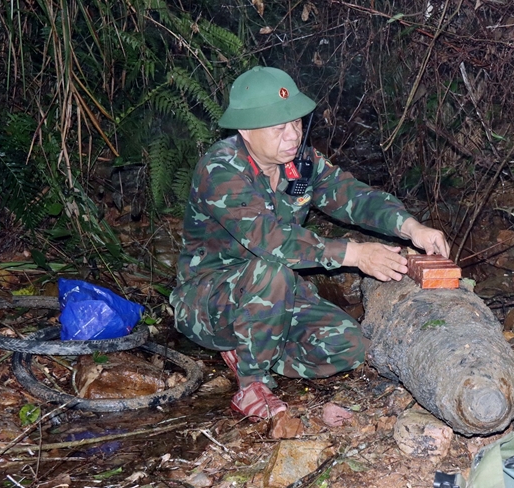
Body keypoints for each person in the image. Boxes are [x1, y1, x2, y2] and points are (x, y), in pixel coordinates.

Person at [169, 66, 450, 421]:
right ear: (245, 130)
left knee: (348, 346)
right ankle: (252, 385)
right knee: (274, 271)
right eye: (278, 128)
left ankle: (249, 348)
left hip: (273, 296)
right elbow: (274, 243)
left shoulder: (299, 164)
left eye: (297, 123)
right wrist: (356, 254)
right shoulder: (221, 170)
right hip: (208, 302)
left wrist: (410, 227)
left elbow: (352, 195)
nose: (292, 135)